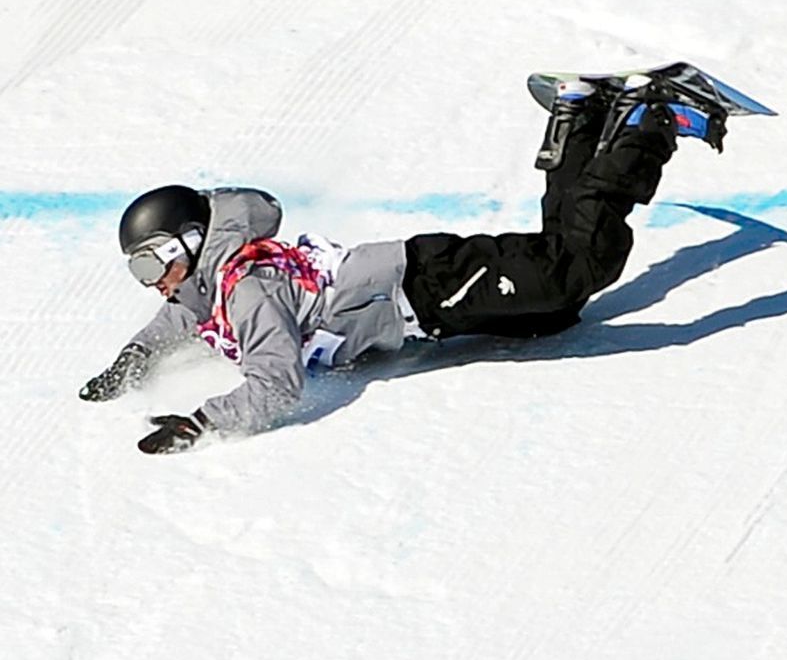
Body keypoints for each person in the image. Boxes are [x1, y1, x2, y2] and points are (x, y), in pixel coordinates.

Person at [79, 72, 726, 454]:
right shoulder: (216, 278)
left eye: (154, 264)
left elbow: (277, 386)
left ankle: (652, 120)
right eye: (141, 271)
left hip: (432, 284)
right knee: (556, 308)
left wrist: (201, 422)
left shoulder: (246, 287)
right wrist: (134, 359)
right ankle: (580, 113)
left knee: (578, 267)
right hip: (431, 295)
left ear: (191, 244)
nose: (155, 283)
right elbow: (183, 317)